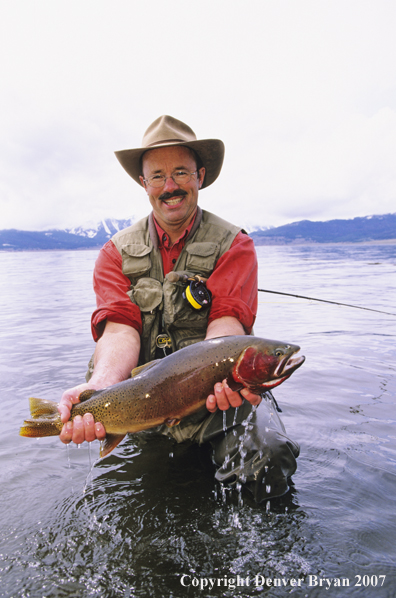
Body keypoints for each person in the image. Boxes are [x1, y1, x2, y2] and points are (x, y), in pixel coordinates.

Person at [58, 115, 299, 502]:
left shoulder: (234, 245)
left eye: (181, 172)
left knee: (268, 454)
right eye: (157, 176)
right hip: (142, 400)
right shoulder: (114, 253)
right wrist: (100, 388)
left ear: (200, 176)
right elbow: (119, 329)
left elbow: (227, 324)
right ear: (143, 183)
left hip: (212, 399)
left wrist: (224, 378)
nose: (169, 187)